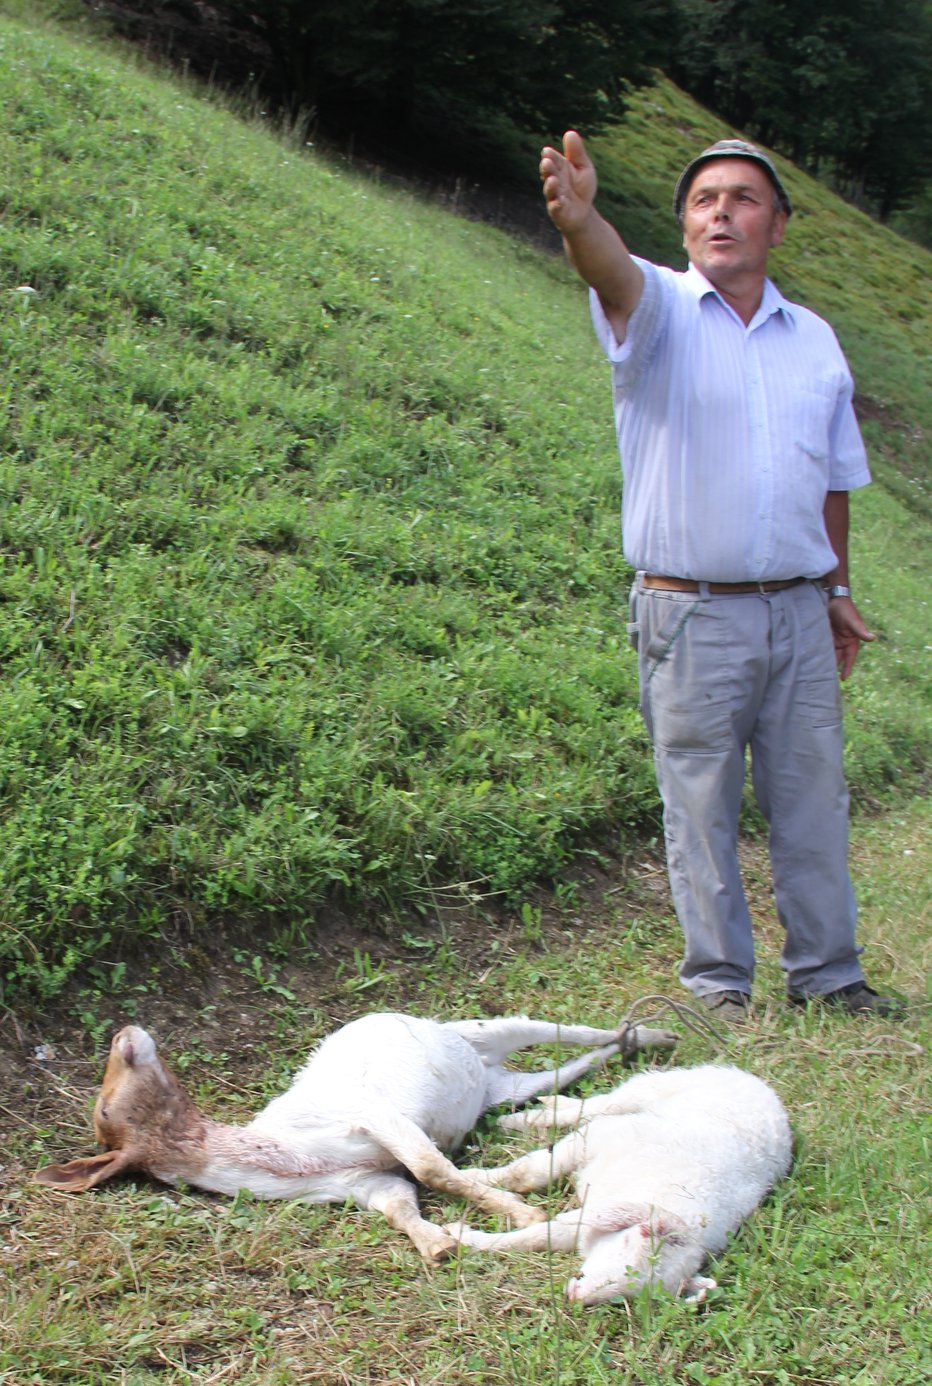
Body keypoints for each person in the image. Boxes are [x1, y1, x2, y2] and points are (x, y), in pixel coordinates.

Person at [540, 130, 900, 1019]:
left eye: (741, 198)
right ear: (686, 227)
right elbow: (609, 271)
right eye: (703, 201)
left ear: (777, 223)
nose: (720, 212)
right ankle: (719, 985)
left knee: (813, 798)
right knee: (699, 806)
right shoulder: (655, 306)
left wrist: (839, 592)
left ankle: (830, 974)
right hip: (690, 614)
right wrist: (582, 221)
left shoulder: (813, 339)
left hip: (799, 613)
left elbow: (833, 479)